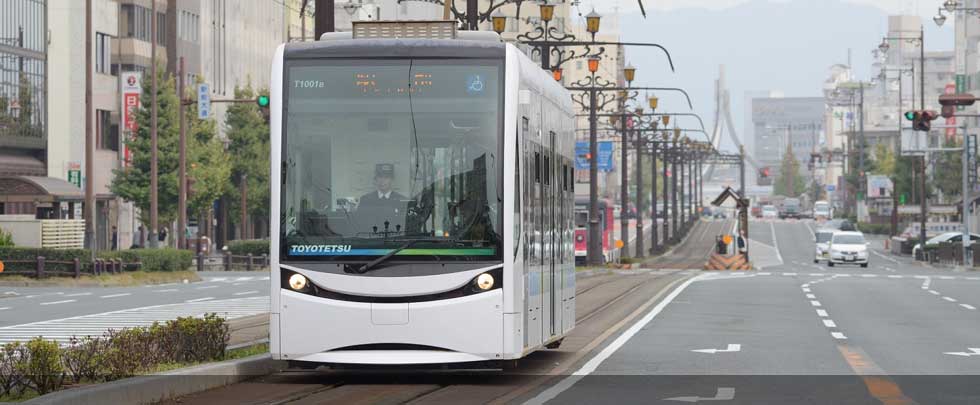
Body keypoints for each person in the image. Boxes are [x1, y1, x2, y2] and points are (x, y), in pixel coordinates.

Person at [358, 163, 407, 233]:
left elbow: (404, 226)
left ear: (392, 180)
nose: (382, 181)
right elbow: (359, 224)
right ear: (375, 179)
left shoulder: (403, 201)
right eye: (380, 177)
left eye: (386, 177)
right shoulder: (365, 200)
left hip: (395, 242)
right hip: (370, 241)